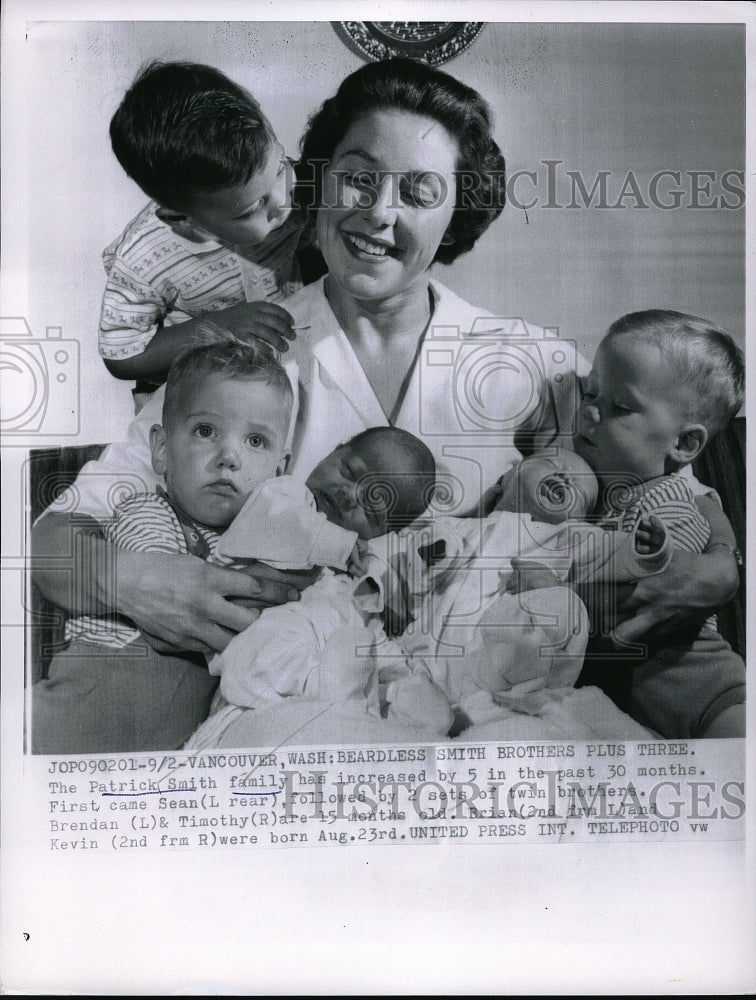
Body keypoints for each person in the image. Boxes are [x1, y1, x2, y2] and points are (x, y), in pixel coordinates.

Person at [31, 59, 741, 747]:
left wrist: (719, 570)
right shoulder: (237, 361)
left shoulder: (533, 365)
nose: (377, 212)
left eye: (420, 192)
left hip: (485, 691)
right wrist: (132, 577)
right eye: (358, 178)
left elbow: (665, 491)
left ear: (459, 211)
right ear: (319, 181)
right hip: (295, 695)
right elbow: (56, 542)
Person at [31, 335, 437, 752]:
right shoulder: (150, 512)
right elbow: (165, 593)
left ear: (278, 469)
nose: (229, 456)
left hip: (182, 739)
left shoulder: (252, 539)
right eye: (206, 431)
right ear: (162, 451)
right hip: (94, 700)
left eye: (255, 442)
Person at [100, 61, 311, 399]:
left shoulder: (291, 189)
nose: (282, 202)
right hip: (190, 386)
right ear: (183, 220)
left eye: (281, 167)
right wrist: (220, 327)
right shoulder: (145, 256)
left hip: (273, 364)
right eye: (253, 207)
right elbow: (121, 356)